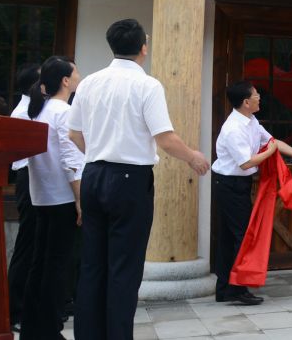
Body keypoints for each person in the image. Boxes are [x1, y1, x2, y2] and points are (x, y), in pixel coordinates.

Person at [67, 19, 209, 340]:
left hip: (94, 174)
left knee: (92, 263)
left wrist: (101, 153)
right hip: (130, 179)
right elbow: (165, 138)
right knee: (124, 268)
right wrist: (193, 157)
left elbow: (74, 134)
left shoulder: (89, 82)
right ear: (143, 47)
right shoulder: (148, 86)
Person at [212, 81, 292, 305]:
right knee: (242, 236)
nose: (260, 97)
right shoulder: (233, 128)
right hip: (229, 185)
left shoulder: (250, 120)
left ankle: (225, 289)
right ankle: (237, 289)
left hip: (237, 185)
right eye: (256, 94)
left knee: (230, 237)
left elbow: (273, 142)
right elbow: (247, 163)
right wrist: (269, 152)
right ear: (246, 102)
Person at [21, 56, 84, 339]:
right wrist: (80, 199)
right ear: (65, 81)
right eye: (76, 72)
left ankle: (34, 328)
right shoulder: (63, 111)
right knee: (58, 267)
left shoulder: (40, 109)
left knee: (41, 264)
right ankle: (48, 329)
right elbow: (71, 159)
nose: (80, 76)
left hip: (42, 196)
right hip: (61, 198)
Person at [8, 63, 41, 331]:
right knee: (27, 244)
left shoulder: (37, 110)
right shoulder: (22, 113)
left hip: (37, 179)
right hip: (27, 178)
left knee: (37, 244)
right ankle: (14, 309)